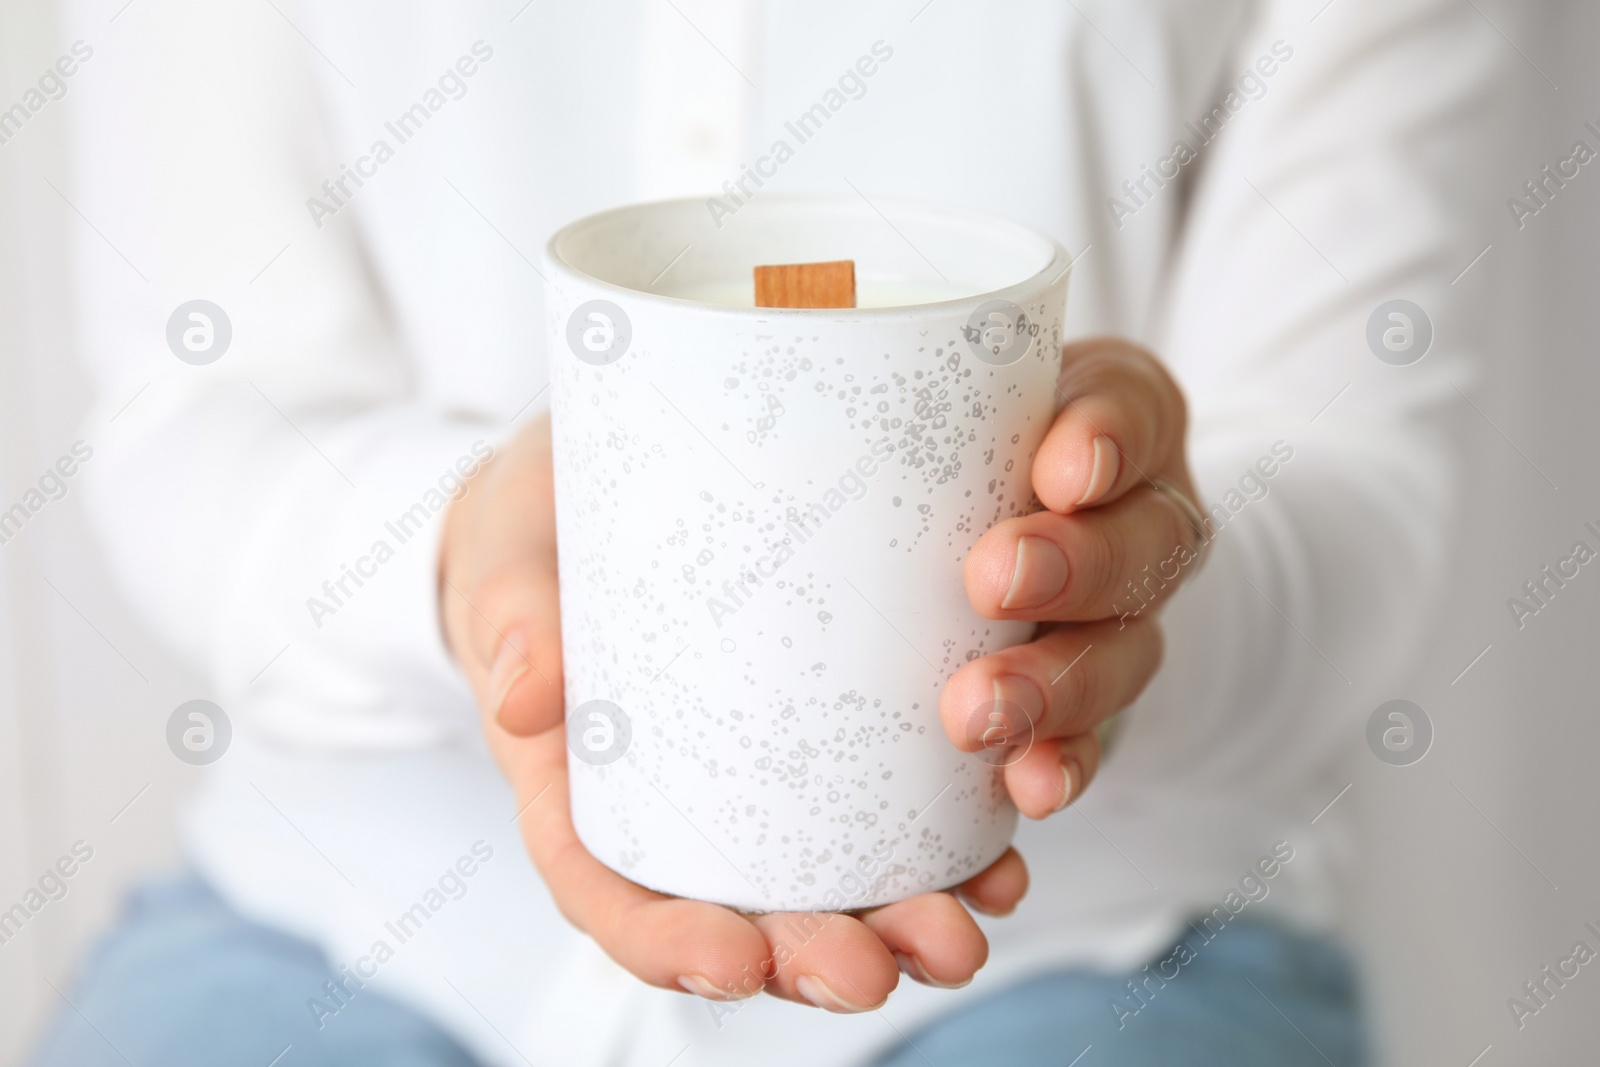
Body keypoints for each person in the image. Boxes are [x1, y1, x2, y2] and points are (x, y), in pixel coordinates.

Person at [32, 0, 1505, 1063]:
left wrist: (1131, 599)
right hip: (344, 912)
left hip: (1092, 947)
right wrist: (460, 553)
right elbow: (196, 413)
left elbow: (1357, 495)